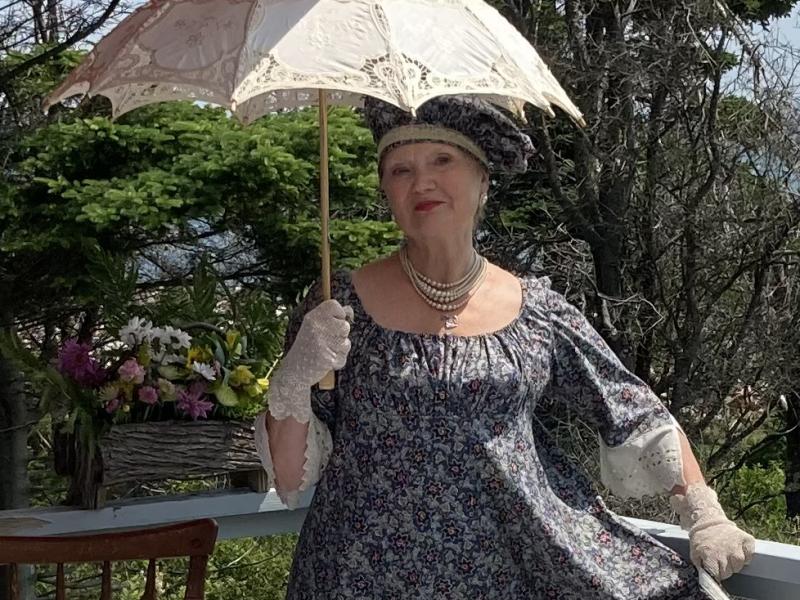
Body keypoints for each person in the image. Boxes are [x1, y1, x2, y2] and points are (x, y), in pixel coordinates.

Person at [254, 95, 755, 599]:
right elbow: (293, 482)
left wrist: (704, 514)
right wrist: (294, 377)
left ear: (483, 181)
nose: (421, 182)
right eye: (400, 170)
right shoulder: (336, 310)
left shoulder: (537, 311)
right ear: (386, 191)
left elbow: (634, 412)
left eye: (441, 161)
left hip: (504, 574)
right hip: (359, 573)